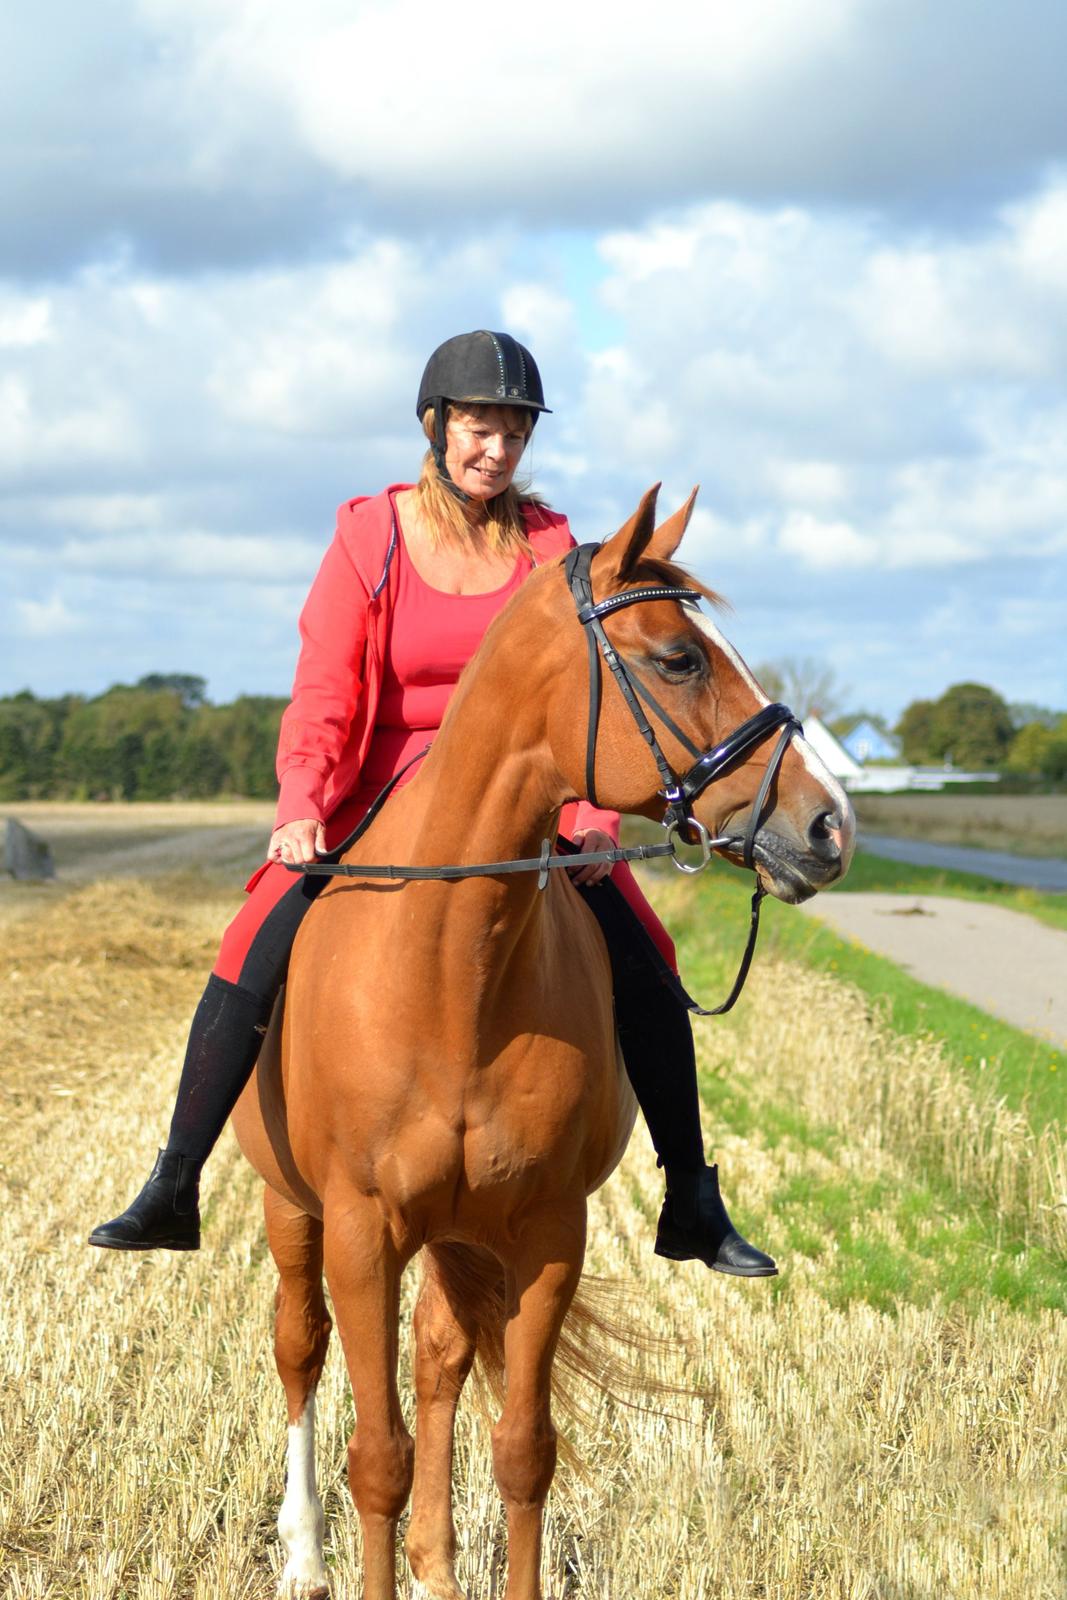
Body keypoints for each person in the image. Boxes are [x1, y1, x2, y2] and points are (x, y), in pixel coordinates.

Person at [89, 329, 776, 1278]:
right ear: (436, 425)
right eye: (478, 428)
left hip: (525, 799)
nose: (495, 450)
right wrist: (301, 805)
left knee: (640, 940)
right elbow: (326, 689)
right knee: (256, 928)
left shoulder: (551, 549)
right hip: (378, 790)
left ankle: (691, 1195)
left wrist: (594, 826)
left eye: (513, 434)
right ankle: (173, 1180)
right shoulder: (371, 533)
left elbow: (593, 702)